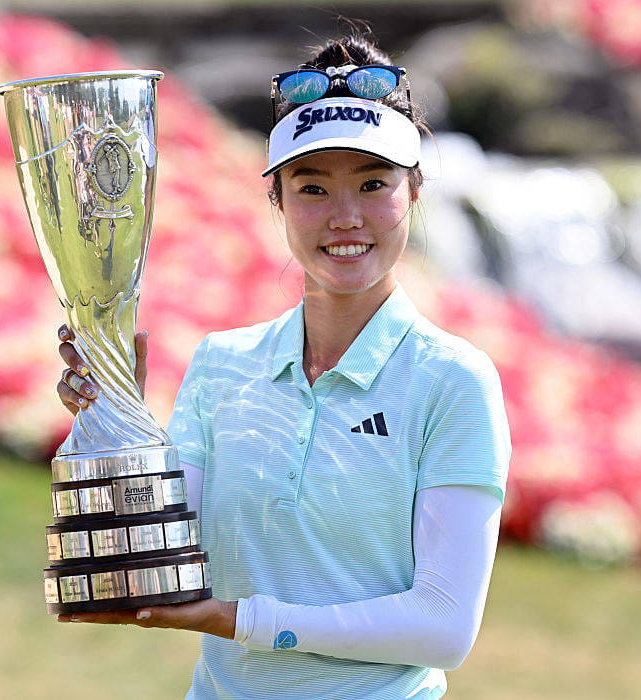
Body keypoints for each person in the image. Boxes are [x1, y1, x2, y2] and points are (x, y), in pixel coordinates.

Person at [55, 33, 511, 700]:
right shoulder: (222, 366)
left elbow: (443, 628)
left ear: (413, 192)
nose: (345, 216)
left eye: (373, 183)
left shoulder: (452, 381)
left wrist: (242, 621)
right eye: (313, 186)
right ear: (278, 201)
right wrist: (110, 419)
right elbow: (147, 574)